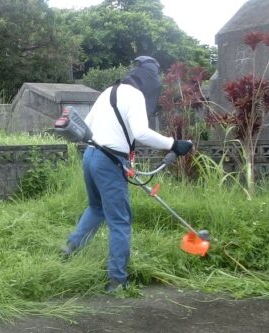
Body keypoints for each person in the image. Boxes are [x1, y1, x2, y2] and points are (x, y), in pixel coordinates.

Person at [63, 56, 193, 292]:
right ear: (150, 80)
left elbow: (87, 126)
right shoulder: (135, 95)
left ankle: (69, 250)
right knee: (120, 221)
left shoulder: (108, 91)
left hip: (91, 156)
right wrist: (174, 144)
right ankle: (117, 280)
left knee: (96, 208)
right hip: (109, 160)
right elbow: (141, 133)